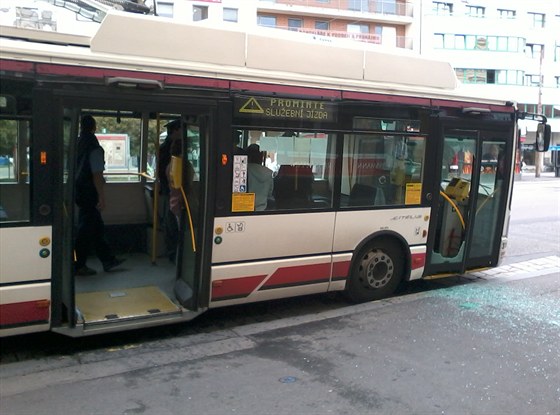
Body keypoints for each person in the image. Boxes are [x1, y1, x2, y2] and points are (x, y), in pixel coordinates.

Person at [74, 115, 124, 276]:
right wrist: (101, 197)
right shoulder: (94, 147)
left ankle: (107, 259)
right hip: (89, 192)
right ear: (94, 127)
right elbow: (96, 174)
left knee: (95, 226)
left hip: (79, 190)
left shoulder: (78, 144)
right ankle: (78, 264)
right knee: (86, 229)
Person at [158, 119, 183, 261]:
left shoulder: (166, 146)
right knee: (172, 223)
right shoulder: (171, 149)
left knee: (170, 222)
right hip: (172, 189)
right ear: (175, 131)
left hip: (169, 189)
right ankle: (173, 253)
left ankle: (172, 252)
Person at [247, 144, 273, 211]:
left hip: (244, 208)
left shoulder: (244, 170)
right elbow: (270, 193)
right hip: (262, 209)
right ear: (261, 157)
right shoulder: (268, 173)